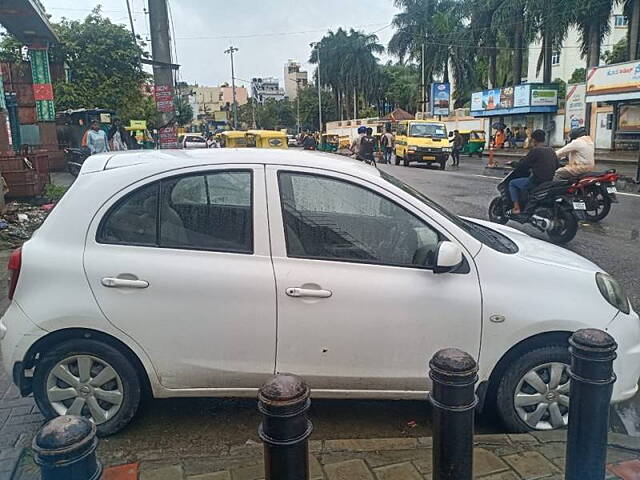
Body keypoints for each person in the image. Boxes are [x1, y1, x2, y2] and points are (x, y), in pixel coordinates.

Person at [509, 129, 558, 214]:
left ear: (534, 140)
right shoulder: (551, 150)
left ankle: (516, 208)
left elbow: (524, 165)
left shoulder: (535, 150)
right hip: (548, 181)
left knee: (512, 183)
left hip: (536, 181)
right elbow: (557, 165)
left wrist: (513, 164)